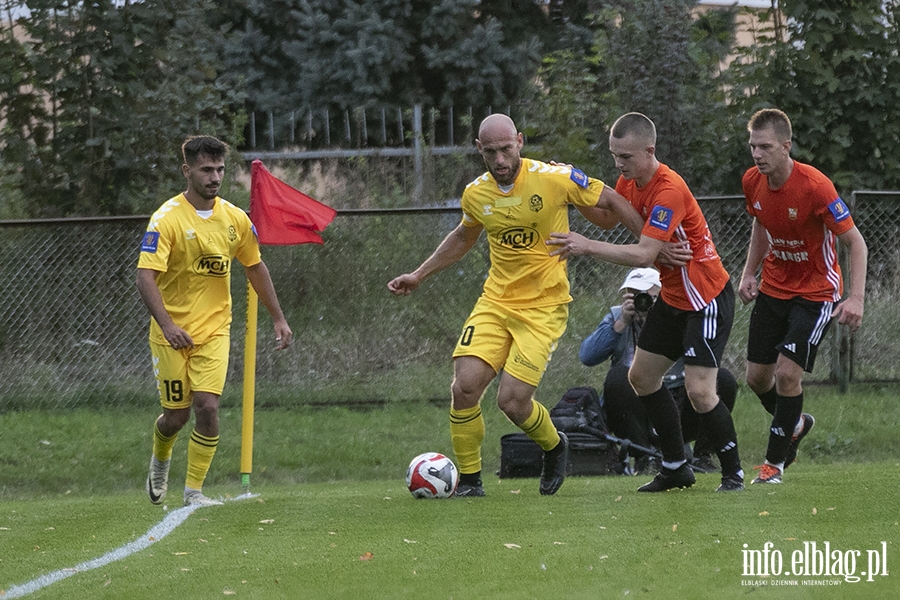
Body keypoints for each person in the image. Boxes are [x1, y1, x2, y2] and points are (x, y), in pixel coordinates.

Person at [387, 113, 657, 497]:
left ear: (520, 142)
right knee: (464, 388)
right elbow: (464, 236)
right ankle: (471, 482)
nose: (499, 161)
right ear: (480, 150)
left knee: (512, 402)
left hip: (544, 308)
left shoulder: (553, 178)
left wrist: (650, 246)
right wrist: (419, 274)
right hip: (495, 303)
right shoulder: (476, 194)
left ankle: (555, 444)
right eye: (491, 152)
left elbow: (610, 199)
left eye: (506, 150)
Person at [547, 112, 744, 492]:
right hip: (674, 297)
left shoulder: (668, 188)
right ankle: (675, 467)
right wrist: (572, 187)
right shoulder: (630, 179)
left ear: (649, 150)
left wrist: (584, 246)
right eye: (614, 156)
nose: (618, 164)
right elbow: (606, 217)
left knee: (701, 390)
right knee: (640, 377)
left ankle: (733, 473)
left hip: (705, 297)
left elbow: (644, 254)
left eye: (626, 157)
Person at [137, 135, 293, 507]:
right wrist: (169, 325)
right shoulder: (167, 219)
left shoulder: (235, 219)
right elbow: (145, 277)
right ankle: (161, 458)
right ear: (187, 170)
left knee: (207, 406)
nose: (215, 177)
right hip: (170, 335)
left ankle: (194, 492)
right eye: (207, 170)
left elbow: (255, 266)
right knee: (175, 417)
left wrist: (278, 318)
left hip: (214, 331)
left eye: (220, 169)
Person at [739, 108, 867, 485]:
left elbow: (855, 243)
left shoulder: (815, 186)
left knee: (786, 374)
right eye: (752, 147)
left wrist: (855, 297)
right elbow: (760, 223)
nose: (757, 154)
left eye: (765, 147)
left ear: (786, 146)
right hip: (774, 287)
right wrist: (749, 272)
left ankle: (773, 466)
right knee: (756, 378)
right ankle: (794, 423)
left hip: (816, 292)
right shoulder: (752, 181)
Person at [579, 267, 738, 475]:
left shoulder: (679, 316)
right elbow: (588, 356)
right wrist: (620, 325)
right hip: (636, 402)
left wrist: (662, 321)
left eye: (648, 296)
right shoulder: (618, 317)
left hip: (680, 398)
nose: (641, 301)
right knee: (617, 377)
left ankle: (703, 456)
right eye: (635, 295)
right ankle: (644, 457)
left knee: (723, 380)